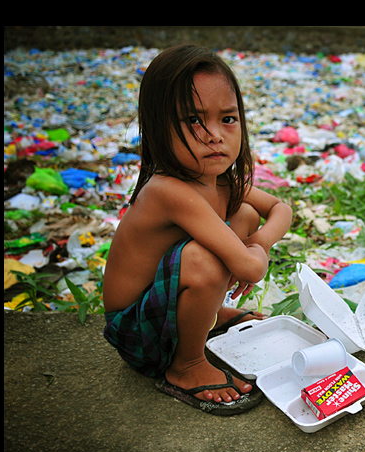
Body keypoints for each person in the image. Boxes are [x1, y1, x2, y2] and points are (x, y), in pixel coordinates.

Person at [102, 45, 292, 415]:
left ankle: (208, 314)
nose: (214, 135)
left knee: (246, 215)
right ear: (158, 127)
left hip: (163, 307)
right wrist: (250, 257)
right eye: (193, 120)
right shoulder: (167, 190)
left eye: (228, 119)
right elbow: (251, 269)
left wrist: (259, 242)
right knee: (205, 259)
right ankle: (185, 366)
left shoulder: (220, 181)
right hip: (137, 331)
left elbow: (281, 209)